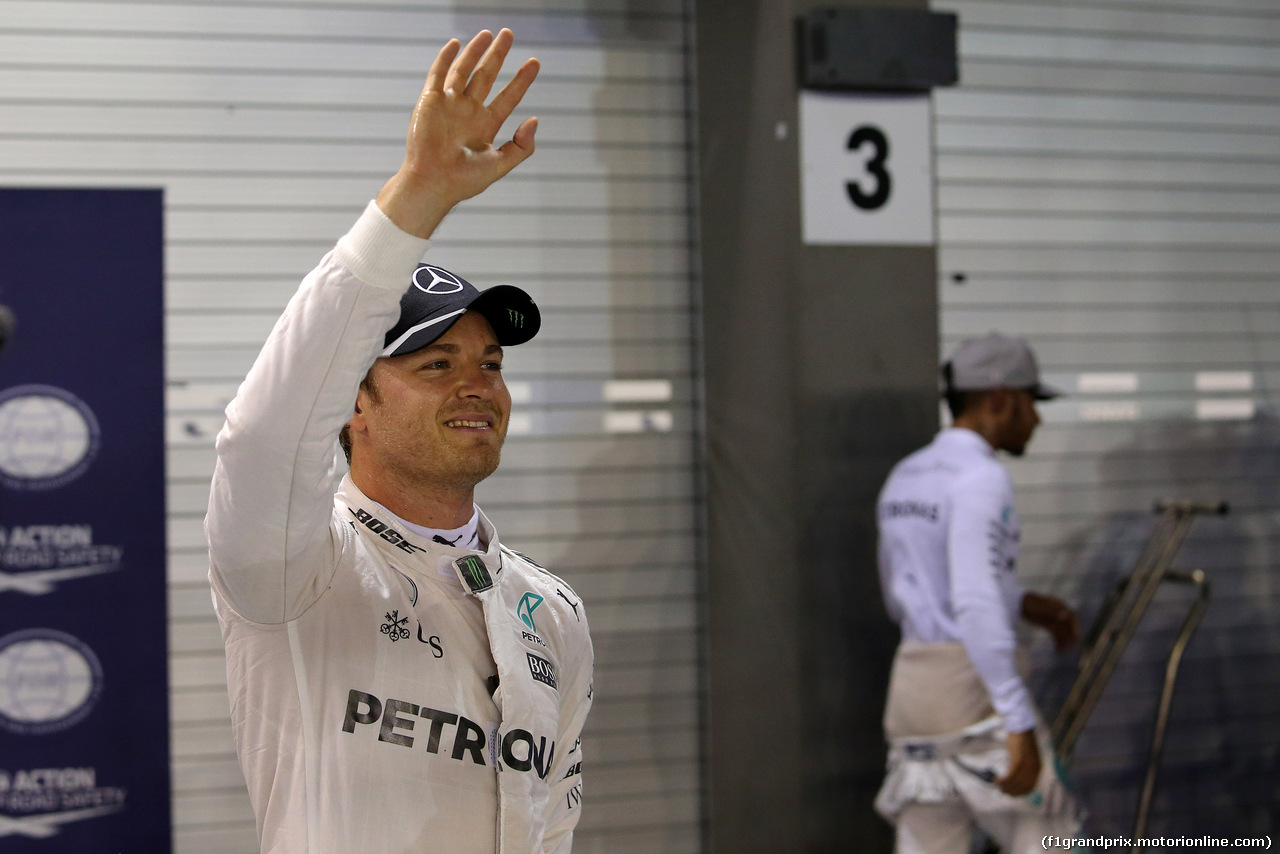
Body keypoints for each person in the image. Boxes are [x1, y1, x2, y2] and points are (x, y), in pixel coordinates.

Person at [205, 29, 592, 854]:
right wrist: (418, 194)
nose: (476, 384)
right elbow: (261, 440)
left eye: (489, 363)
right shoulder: (297, 568)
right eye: (436, 361)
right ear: (355, 402)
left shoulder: (551, 612)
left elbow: (553, 824)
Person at [873, 331, 1084, 854]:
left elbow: (908, 591)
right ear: (999, 398)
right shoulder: (981, 479)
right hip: (973, 701)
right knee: (1051, 836)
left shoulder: (907, 474)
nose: (1036, 419)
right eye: (1031, 402)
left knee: (927, 844)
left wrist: (1024, 602)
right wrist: (1017, 720)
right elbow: (972, 601)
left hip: (913, 698)